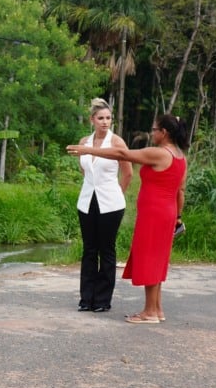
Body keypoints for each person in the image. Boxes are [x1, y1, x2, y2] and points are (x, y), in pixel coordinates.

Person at [66, 114, 188, 325]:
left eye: (154, 129)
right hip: (168, 212)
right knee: (158, 261)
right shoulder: (180, 156)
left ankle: (149, 312)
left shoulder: (159, 153)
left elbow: (123, 153)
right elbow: (181, 190)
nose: (152, 133)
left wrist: (88, 150)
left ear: (164, 133)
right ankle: (157, 309)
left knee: (149, 259)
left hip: (155, 213)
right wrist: (177, 216)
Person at [74, 98, 132, 313]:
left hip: (111, 202)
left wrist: (117, 193)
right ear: (92, 120)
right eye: (101, 118)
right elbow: (85, 170)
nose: (105, 122)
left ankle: (102, 300)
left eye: (108, 118)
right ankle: (86, 299)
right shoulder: (84, 142)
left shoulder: (116, 142)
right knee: (89, 249)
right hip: (87, 200)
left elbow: (127, 173)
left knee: (106, 249)